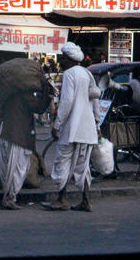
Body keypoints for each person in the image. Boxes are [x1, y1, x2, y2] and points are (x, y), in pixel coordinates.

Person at [43, 42, 101, 212]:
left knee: (62, 163)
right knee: (83, 167)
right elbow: (95, 99)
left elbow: (67, 102)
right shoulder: (87, 74)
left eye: (62, 58)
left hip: (71, 129)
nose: (60, 61)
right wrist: (97, 123)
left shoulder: (69, 74)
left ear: (69, 59)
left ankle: (61, 199)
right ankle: (85, 201)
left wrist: (57, 125)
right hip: (87, 129)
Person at [0, 77, 50, 210]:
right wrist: (46, 92)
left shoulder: (6, 94)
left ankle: (8, 195)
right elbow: (39, 108)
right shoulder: (26, 96)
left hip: (3, 132)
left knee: (7, 167)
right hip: (17, 136)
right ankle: (10, 197)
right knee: (19, 167)